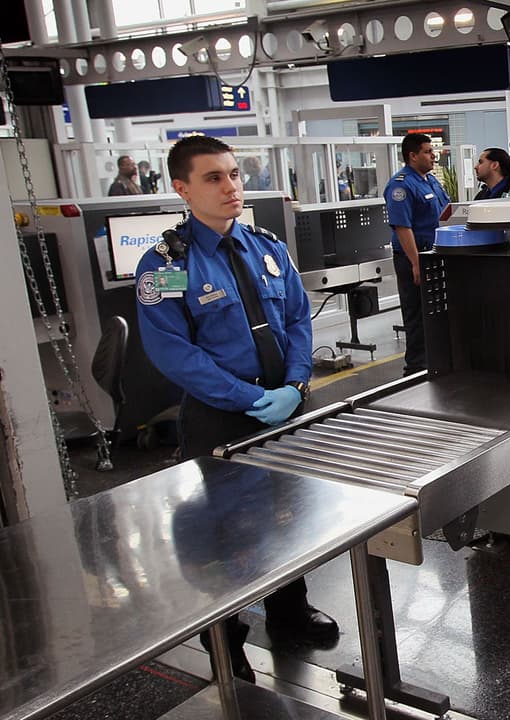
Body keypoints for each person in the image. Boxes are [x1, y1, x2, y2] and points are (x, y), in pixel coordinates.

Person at [134, 135, 338, 684]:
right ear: (182, 189)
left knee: (287, 513)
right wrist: (248, 398)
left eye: (234, 175)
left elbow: (297, 318)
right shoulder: (167, 264)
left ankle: (289, 611)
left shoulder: (267, 247)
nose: (230, 187)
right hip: (220, 416)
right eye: (213, 178)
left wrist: (295, 384)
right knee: (223, 533)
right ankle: (224, 639)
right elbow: (173, 351)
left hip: (284, 406)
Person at [384, 134, 450, 376]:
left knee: (437, 312)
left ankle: (437, 362)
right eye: (427, 152)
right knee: (417, 314)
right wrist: (416, 262)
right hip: (415, 257)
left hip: (435, 254)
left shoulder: (430, 180)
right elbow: (403, 227)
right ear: (412, 156)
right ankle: (415, 369)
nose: (433, 156)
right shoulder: (401, 185)